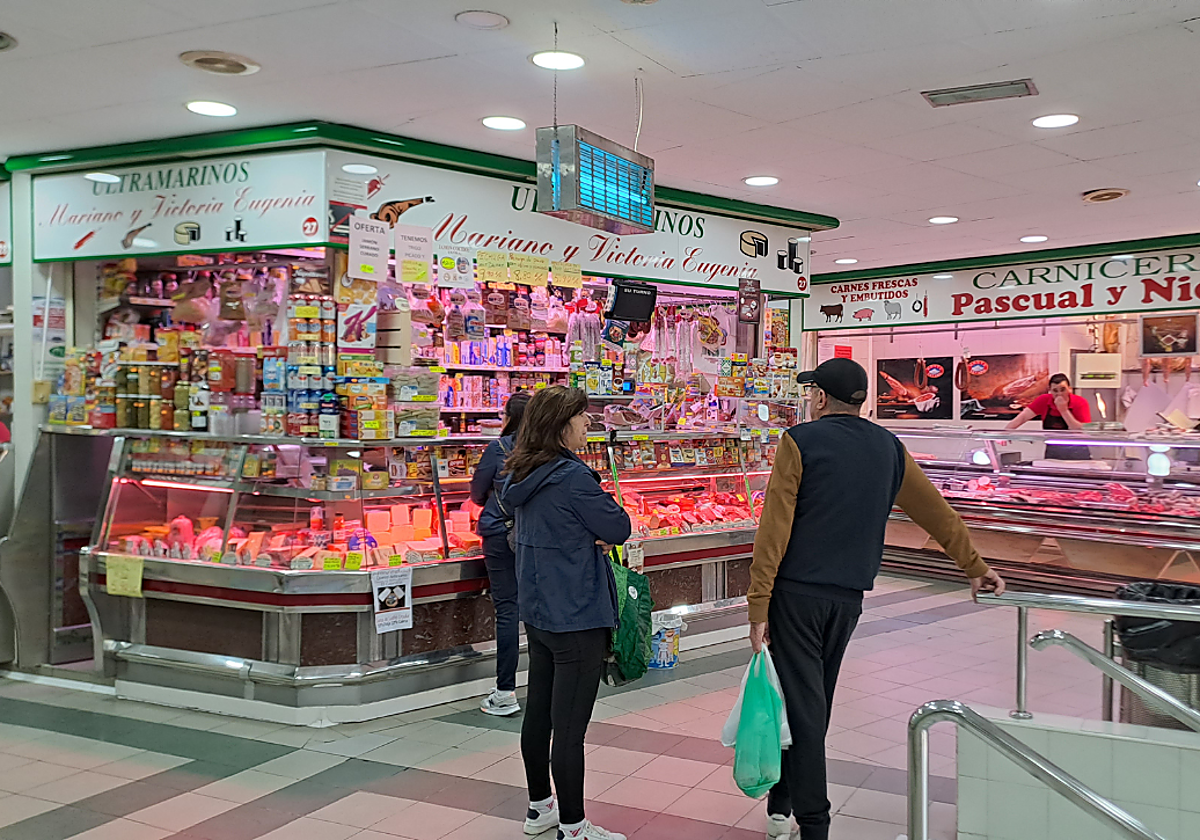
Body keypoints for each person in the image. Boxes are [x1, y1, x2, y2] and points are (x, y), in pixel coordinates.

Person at [747, 358, 1005, 840]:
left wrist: (758, 604)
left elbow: (774, 531)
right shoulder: (888, 447)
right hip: (847, 599)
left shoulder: (798, 442)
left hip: (796, 597)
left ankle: (813, 823)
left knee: (804, 708)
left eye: (811, 394)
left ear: (820, 398)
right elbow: (937, 513)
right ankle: (780, 806)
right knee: (807, 702)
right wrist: (976, 566)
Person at [501, 386, 632, 840]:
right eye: (582, 417)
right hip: (577, 612)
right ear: (561, 425)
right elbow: (618, 527)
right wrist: (597, 530)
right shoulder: (573, 478)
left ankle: (540, 808)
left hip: (538, 610)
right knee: (570, 728)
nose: (588, 424)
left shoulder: (521, 472)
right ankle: (573, 827)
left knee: (538, 713)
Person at [469, 390, 532, 716]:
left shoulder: (499, 447)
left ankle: (505, 691)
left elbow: (477, 494)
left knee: (508, 610)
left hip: (499, 534)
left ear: (508, 417)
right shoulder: (546, 450)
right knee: (536, 608)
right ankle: (542, 684)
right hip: (535, 536)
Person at [1005, 372, 1093, 460]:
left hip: (1077, 452)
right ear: (1050, 390)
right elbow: (1022, 417)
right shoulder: (1043, 400)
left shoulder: (1080, 402)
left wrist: (1063, 410)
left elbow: (1081, 431)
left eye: (1063, 390)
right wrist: (1005, 433)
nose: (1059, 394)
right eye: (1055, 391)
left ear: (1069, 389)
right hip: (1053, 451)